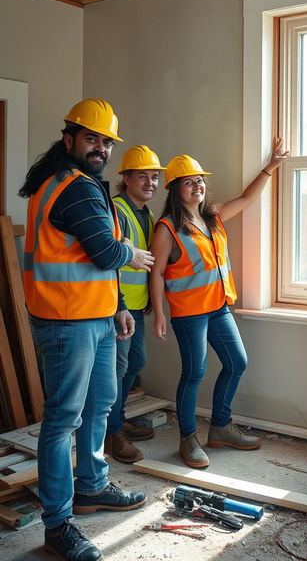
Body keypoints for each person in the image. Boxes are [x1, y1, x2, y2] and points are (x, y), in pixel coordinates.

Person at [20, 99, 154, 561]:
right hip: (66, 323)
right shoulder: (72, 187)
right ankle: (58, 526)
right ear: (69, 139)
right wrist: (132, 254)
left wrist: (117, 305)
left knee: (100, 406)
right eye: (91, 138)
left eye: (106, 142)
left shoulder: (79, 183)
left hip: (95, 317)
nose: (100, 148)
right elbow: (103, 252)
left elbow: (86, 256)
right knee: (61, 423)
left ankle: (92, 485)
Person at [150, 140, 288, 469]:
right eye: (188, 182)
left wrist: (271, 166)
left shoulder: (212, 217)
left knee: (236, 363)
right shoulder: (167, 227)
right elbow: (155, 273)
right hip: (189, 313)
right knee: (194, 373)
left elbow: (247, 199)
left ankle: (220, 428)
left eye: (200, 180)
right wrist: (159, 313)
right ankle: (187, 438)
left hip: (218, 307)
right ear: (175, 190)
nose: (197, 186)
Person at [104, 145, 165, 464]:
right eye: (142, 176)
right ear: (125, 178)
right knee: (118, 369)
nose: (150, 183)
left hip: (136, 307)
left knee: (134, 364)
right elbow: (110, 262)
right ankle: (112, 432)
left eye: (154, 177)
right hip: (119, 307)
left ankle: (118, 417)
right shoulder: (116, 210)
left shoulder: (147, 213)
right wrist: (120, 305)